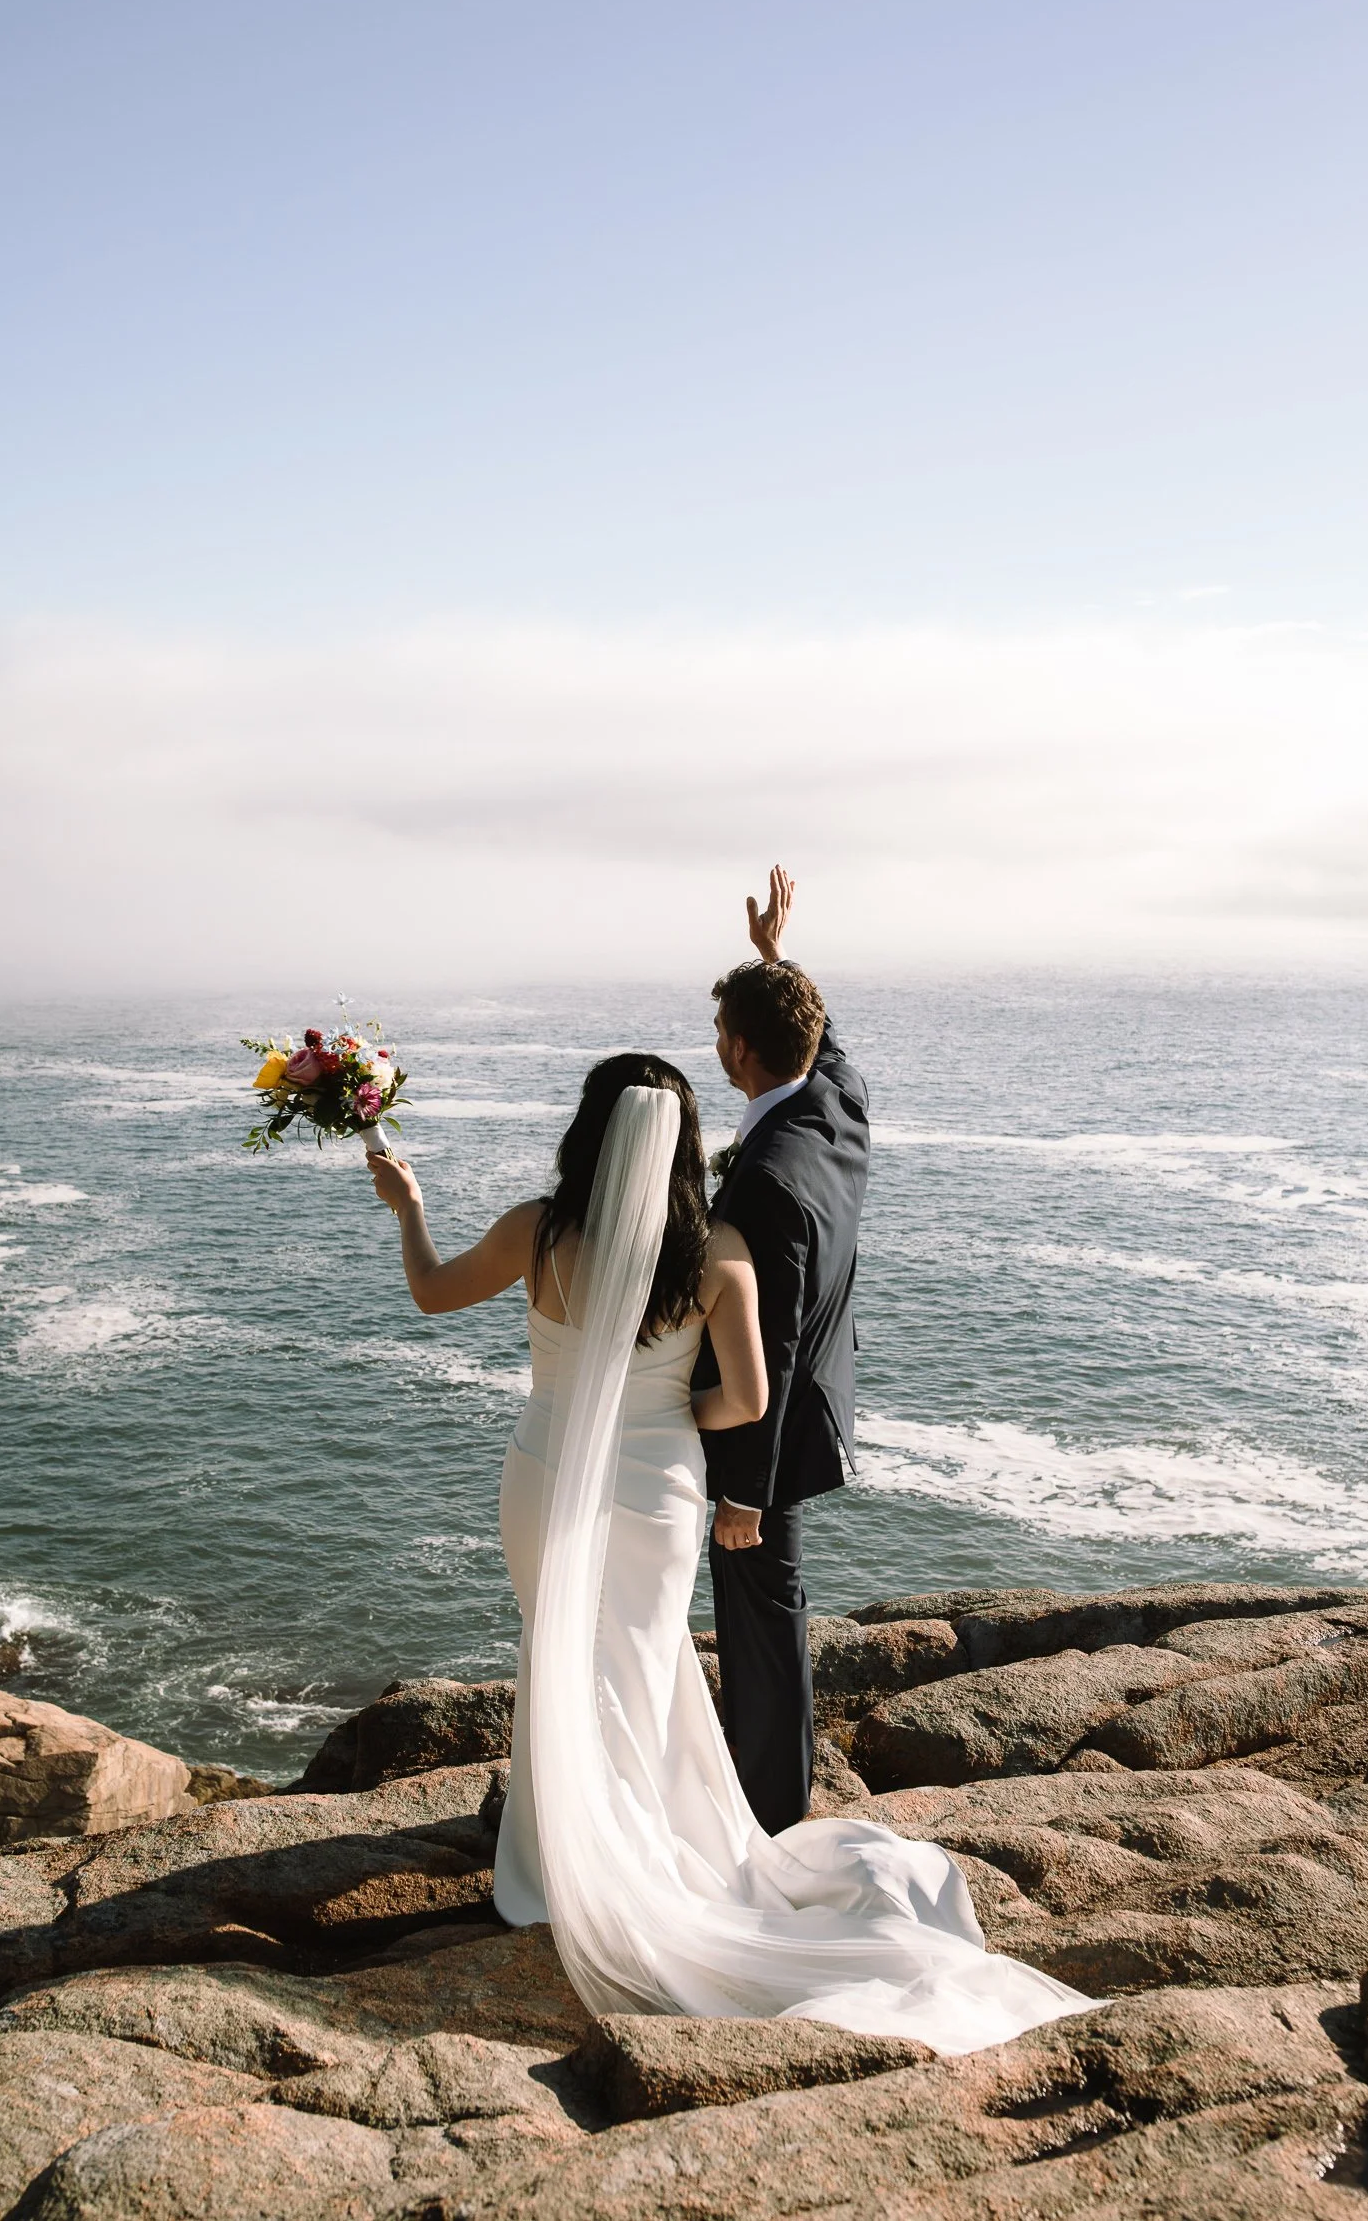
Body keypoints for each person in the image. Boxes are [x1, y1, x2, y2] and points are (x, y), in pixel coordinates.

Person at [366, 1012, 1094, 2051]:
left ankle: (553, 1856)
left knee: (559, 1649)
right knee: (645, 1662)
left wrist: (411, 1208)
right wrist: (662, 1420)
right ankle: (648, 1840)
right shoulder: (722, 1256)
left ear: (588, 1136)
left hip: (544, 1472)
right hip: (663, 1485)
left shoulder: (539, 1228)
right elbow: (749, 1399)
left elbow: (432, 1294)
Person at [696, 866, 867, 1833]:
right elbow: (826, 1041)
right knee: (773, 1620)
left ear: (738, 1051)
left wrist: (744, 1495)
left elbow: (775, 1336)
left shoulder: (763, 1177)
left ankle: (772, 1818)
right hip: (818, 1406)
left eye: (724, 1031)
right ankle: (769, 1785)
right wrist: (777, 957)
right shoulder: (839, 1101)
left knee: (762, 1622)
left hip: (774, 1434)